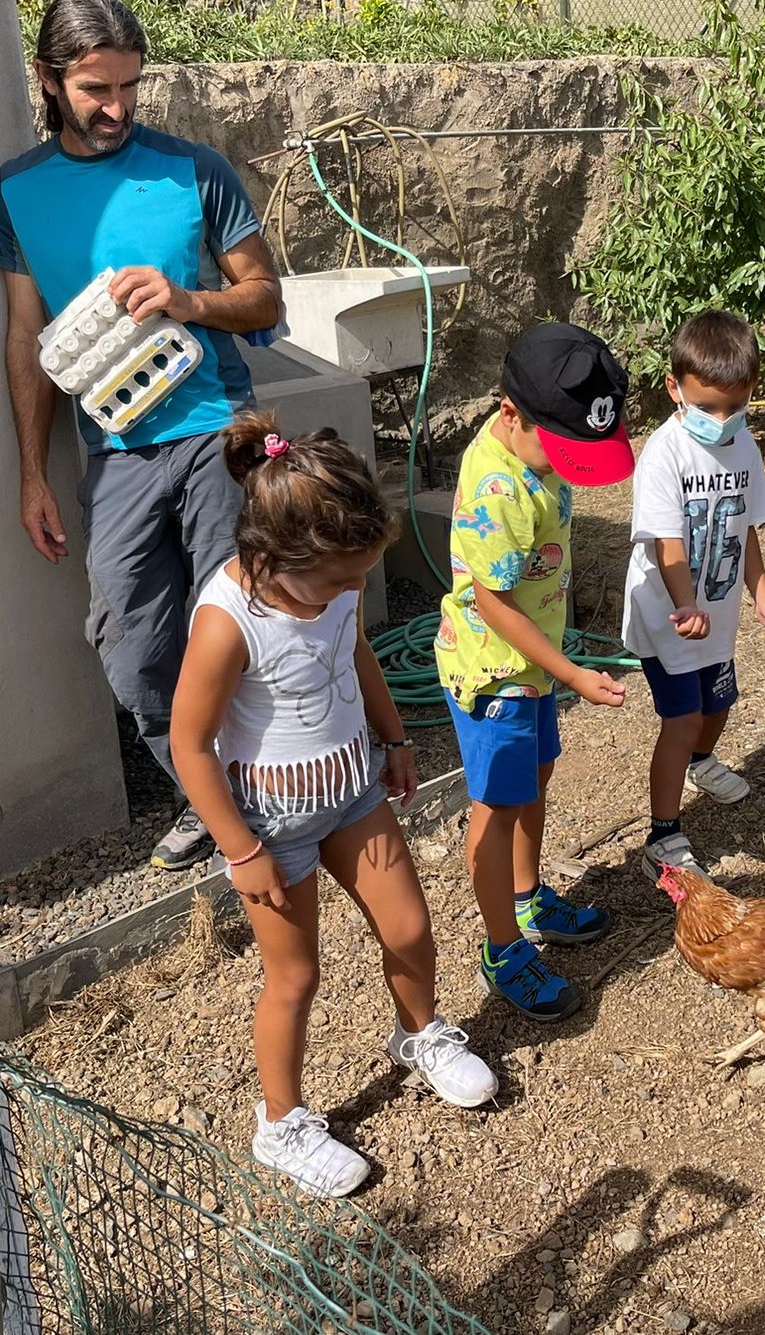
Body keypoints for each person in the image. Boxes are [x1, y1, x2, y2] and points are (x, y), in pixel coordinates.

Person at [170, 414, 497, 1198]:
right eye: (341, 579)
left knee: (411, 927)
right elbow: (190, 745)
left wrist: (393, 735)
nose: (354, 591)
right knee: (295, 976)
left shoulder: (332, 588)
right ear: (278, 557)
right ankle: (280, 1122)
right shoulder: (227, 622)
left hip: (352, 790)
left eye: (359, 576)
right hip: (270, 824)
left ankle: (418, 1034)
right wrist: (239, 850)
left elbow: (353, 651)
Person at [0, 0, 283, 871]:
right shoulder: (15, 191)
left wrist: (191, 300)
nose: (117, 108)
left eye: (129, 86)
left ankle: (271, 798)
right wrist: (33, 477)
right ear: (48, 79)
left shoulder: (193, 170)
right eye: (95, 89)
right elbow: (23, 338)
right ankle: (211, 795)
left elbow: (266, 297)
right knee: (131, 644)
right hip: (114, 451)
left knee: (237, 622)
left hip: (217, 430)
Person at [435, 323, 634, 1023]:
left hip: (534, 667)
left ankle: (528, 895)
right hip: (497, 675)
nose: (573, 462)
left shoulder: (538, 459)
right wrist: (573, 672)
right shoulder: (498, 487)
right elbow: (492, 603)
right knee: (496, 806)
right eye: (566, 447)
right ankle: (502, 945)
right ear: (511, 414)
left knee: (536, 779)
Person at [622, 311, 765, 883]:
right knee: (683, 716)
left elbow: (745, 528)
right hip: (667, 617)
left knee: (718, 705)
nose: (721, 421)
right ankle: (662, 834)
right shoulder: (664, 454)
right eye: (707, 408)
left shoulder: (744, 448)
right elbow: (666, 542)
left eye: (734, 407)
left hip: (715, 615)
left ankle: (701, 762)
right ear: (674, 389)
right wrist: (684, 603)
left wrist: (763, 599)